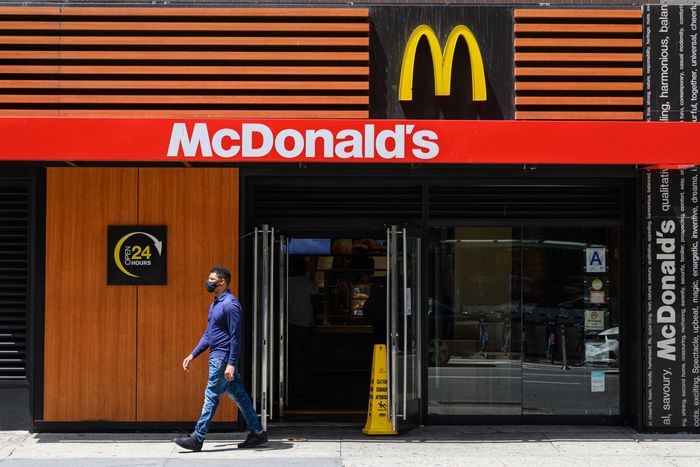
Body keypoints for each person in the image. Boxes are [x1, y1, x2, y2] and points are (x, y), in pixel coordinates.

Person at [173, 266, 267, 452]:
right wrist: (192, 354)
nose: (208, 282)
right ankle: (257, 432)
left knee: (211, 396)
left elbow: (236, 336)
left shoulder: (230, 305)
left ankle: (197, 438)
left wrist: (231, 363)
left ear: (222, 281)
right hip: (218, 357)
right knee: (240, 396)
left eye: (211, 279)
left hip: (222, 359)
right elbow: (209, 334)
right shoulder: (216, 304)